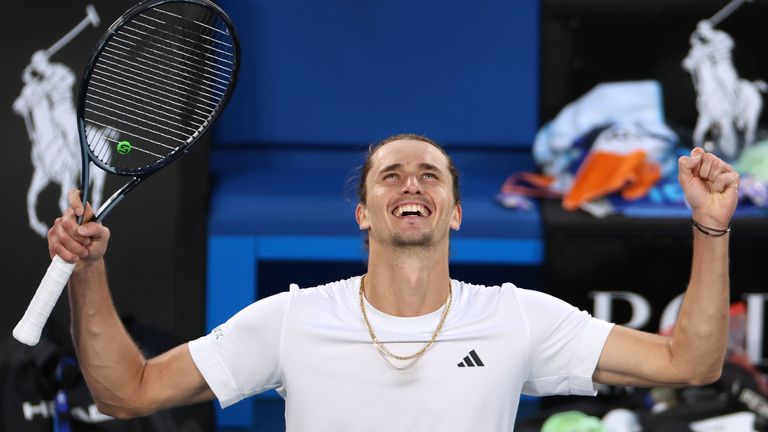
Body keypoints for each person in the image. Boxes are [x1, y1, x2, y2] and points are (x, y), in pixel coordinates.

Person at [49, 134, 739, 430]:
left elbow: (693, 362)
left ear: (457, 212)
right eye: (391, 175)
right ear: (364, 212)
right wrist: (89, 272)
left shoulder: (520, 319)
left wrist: (710, 228)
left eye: (430, 174)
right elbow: (127, 393)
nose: (411, 182)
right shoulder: (289, 322)